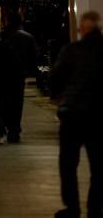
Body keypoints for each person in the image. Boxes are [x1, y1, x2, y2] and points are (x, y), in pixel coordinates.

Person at [51, 11, 103, 218]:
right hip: (99, 116)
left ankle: (72, 208)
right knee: (99, 165)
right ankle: (95, 207)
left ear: (82, 29)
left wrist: (58, 96)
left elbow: (56, 79)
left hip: (72, 114)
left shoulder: (71, 50)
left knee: (68, 164)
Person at [2, 12, 37, 143]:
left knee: (4, 101)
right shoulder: (27, 38)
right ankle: (14, 127)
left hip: (3, 75)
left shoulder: (2, 36)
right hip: (19, 75)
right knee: (17, 102)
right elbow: (33, 57)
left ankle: (7, 124)